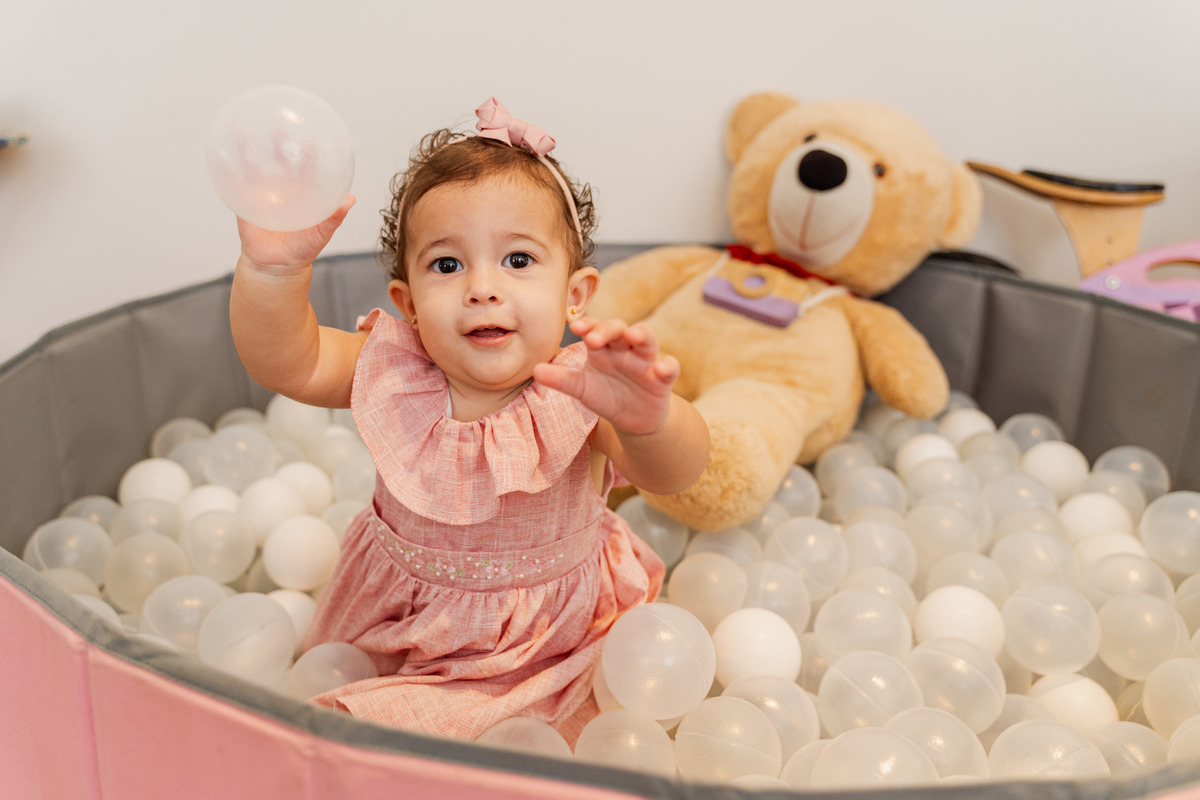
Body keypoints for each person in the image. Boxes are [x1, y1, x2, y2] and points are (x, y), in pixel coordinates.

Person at [228, 97, 710, 742]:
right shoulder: (393, 371)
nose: (482, 287)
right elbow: (290, 361)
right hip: (400, 625)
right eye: (447, 265)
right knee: (351, 745)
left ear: (575, 295)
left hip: (544, 644)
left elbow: (676, 474)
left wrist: (650, 420)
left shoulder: (582, 390)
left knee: (512, 753)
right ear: (408, 304)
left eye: (518, 260)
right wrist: (273, 271)